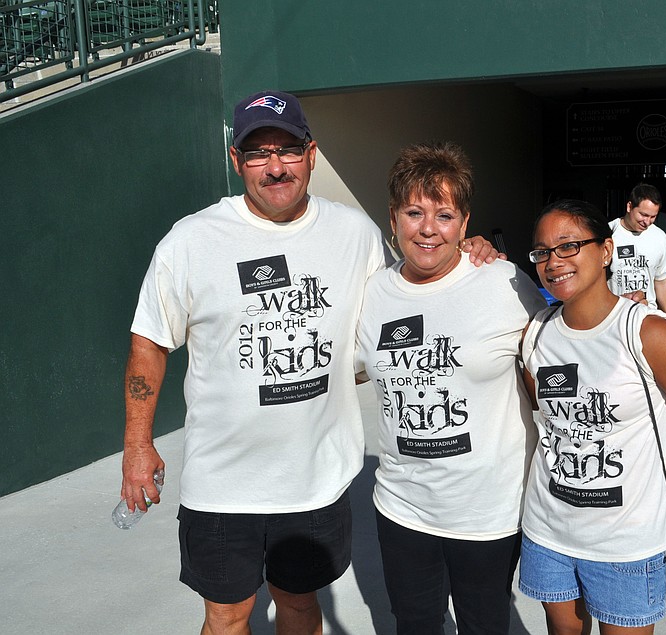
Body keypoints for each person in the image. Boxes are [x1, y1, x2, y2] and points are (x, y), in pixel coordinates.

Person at [119, 91, 499, 635]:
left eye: (288, 150)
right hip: (222, 484)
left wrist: (470, 255)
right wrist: (137, 444)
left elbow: (414, 292)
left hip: (316, 480)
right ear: (236, 160)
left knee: (299, 604)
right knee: (226, 616)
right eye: (258, 153)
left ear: (312, 154)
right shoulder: (190, 241)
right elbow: (149, 343)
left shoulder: (355, 234)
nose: (275, 167)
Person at [354, 141, 547, 634]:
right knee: (414, 623)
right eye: (414, 212)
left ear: (464, 224)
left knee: (484, 625)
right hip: (401, 505)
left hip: (487, 511)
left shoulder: (504, 283)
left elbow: (554, 369)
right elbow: (349, 368)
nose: (428, 228)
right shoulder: (373, 292)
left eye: (444, 215)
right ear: (393, 218)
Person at [519, 199, 666, 635]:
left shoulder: (646, 331)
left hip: (625, 543)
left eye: (568, 246)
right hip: (548, 530)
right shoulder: (536, 333)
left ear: (606, 250)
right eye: (542, 252)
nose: (553, 261)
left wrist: (654, 475)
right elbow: (547, 420)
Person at [608, 184, 666, 317]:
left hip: (647, 315)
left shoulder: (659, 237)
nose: (647, 222)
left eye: (653, 217)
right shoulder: (608, 233)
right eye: (643, 215)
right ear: (629, 207)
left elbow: (661, 280)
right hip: (613, 315)